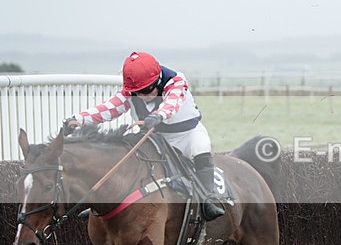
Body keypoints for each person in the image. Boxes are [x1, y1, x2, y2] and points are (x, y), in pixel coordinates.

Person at [64, 51, 226, 221]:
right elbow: (109, 108)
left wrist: (158, 115)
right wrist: (79, 119)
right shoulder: (131, 91)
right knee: (125, 156)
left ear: (158, 80)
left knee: (200, 146)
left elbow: (172, 103)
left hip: (186, 136)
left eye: (146, 90)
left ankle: (207, 199)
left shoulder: (176, 81)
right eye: (137, 92)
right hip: (154, 138)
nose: (141, 96)